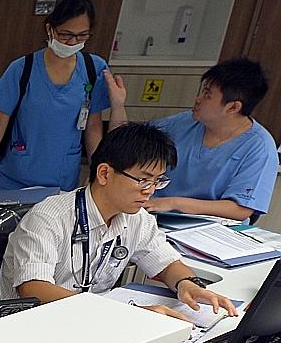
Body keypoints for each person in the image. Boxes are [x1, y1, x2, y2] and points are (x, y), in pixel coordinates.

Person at [1, 122, 237, 320]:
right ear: (104, 174)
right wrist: (122, 315)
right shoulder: (49, 217)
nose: (150, 191)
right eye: (143, 180)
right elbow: (33, 288)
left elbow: (167, 264)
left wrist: (187, 283)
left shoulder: (137, 219)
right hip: (35, 323)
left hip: (93, 320)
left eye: (157, 181)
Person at [105, 57, 276, 221]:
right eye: (202, 91)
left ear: (233, 107)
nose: (198, 98)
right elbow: (125, 145)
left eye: (207, 95)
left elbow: (241, 210)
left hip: (208, 232)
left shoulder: (260, 148)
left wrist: (174, 203)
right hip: (153, 217)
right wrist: (118, 105)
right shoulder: (185, 122)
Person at [0, 0, 111, 196]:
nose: (72, 42)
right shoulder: (23, 69)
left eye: (82, 36)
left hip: (62, 181)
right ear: (50, 29)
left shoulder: (94, 69)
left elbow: (93, 126)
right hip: (14, 176)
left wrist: (96, 169)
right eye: (65, 35)